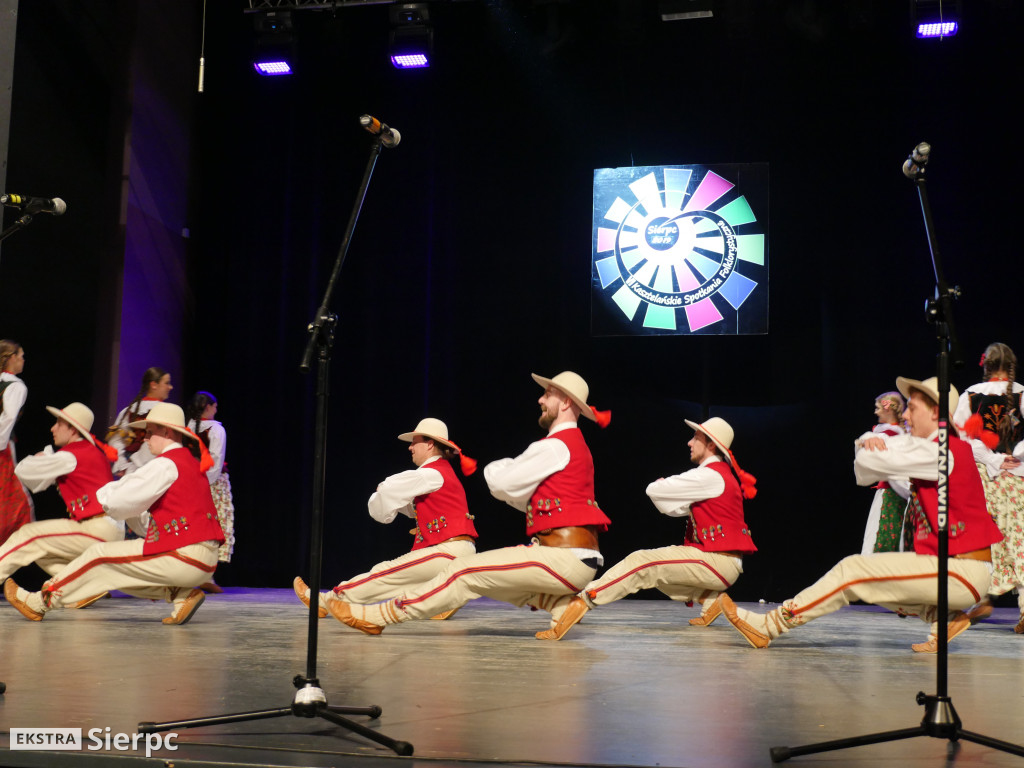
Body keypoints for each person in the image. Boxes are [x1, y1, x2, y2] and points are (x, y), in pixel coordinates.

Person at [722, 376, 1003, 653]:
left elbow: (868, 465)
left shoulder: (941, 452)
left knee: (854, 571)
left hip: (960, 571)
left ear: (935, 412)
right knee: (877, 583)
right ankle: (949, 619)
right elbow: (868, 466)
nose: (905, 414)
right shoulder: (937, 448)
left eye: (912, 407)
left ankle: (769, 626)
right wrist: (870, 439)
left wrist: (870, 443)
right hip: (957, 568)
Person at [324, 371, 612, 635]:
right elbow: (525, 499)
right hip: (574, 557)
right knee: (488, 578)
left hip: (564, 557)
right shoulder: (573, 447)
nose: (540, 399)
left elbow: (500, 484)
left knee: (463, 572)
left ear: (564, 403)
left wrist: (497, 469)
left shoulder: (555, 446)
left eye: (547, 394)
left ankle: (378, 616)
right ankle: (562, 607)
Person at [536, 416, 757, 641]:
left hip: (717, 561)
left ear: (711, 444)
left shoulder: (709, 475)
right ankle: (712, 601)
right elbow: (675, 509)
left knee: (643, 562)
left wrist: (662, 485)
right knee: (656, 574)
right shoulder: (717, 476)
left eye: (695, 438)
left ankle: (582, 601)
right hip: (722, 562)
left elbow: (654, 491)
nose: (690, 443)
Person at [4, 403, 224, 625]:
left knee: (98, 555)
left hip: (184, 555)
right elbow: (147, 518)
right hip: (202, 559)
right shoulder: (189, 462)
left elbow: (119, 498)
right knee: (115, 569)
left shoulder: (166, 464)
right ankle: (182, 595)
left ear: (166, 432)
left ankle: (37, 602)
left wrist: (107, 494)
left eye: (149, 432)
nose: (145, 439)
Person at [294, 417, 478, 617]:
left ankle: (324, 601)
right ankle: (444, 600)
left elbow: (391, 487)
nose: (410, 448)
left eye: (415, 442)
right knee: (405, 584)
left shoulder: (431, 474)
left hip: (448, 551)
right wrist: (389, 497)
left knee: (386, 573)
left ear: (430, 444)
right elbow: (406, 508)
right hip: (456, 550)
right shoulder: (439, 475)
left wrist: (383, 488)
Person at [2, 403, 121, 597]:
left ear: (72, 429)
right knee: (40, 549)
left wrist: (43, 457)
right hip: (103, 528)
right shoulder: (84, 453)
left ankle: (81, 588)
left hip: (97, 528)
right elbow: (39, 482)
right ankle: (81, 589)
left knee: (28, 534)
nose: (52, 428)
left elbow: (23, 470)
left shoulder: (71, 456)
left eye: (58, 423)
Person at [953, 342, 1024, 630]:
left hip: (985, 478)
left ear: (985, 365)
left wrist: (993, 460)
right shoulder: (1021, 393)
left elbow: (963, 438)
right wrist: (1014, 457)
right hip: (1017, 477)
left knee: (986, 540)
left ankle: (982, 598)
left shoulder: (970, 394)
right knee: (1018, 539)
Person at [186, 391, 235, 576]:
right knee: (216, 522)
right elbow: (215, 459)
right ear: (208, 407)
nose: (216, 409)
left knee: (195, 522)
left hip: (192, 480)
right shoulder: (216, 430)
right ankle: (207, 572)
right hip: (211, 482)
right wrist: (207, 482)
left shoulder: (188, 427)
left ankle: (196, 569)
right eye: (215, 406)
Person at [860, 391, 912, 555]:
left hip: (891, 492)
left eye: (878, 408)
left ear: (888, 410)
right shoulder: (897, 434)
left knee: (879, 538)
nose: (875, 412)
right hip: (897, 491)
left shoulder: (887, 436)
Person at [106, 367, 173, 476]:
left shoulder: (128, 410)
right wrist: (130, 466)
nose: (170, 387)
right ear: (154, 385)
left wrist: (125, 467)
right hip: (155, 471)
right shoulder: (165, 412)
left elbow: (115, 441)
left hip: (142, 470)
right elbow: (116, 440)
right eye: (167, 383)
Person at [0, 340, 33, 545]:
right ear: (11, 358)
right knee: (15, 501)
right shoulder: (16, 386)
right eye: (21, 356)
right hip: (2, 448)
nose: (23, 360)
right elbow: (8, 417)